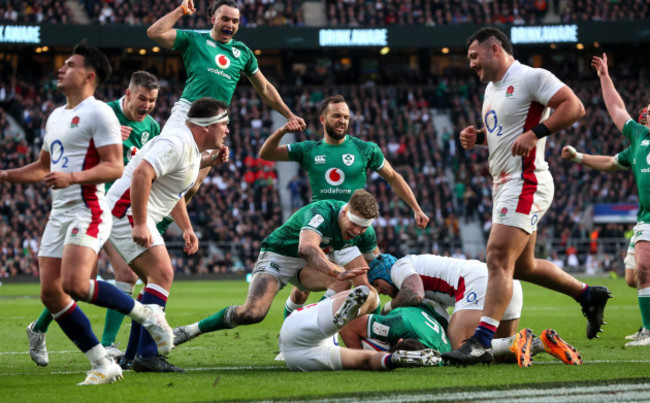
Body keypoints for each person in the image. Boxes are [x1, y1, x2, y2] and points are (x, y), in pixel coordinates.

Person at [0, 41, 173, 385]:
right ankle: (103, 362)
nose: (61, 69)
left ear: (88, 75)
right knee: (51, 292)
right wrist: (5, 175)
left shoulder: (99, 113)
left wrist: (73, 177)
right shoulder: (56, 115)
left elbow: (113, 167)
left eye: (70, 64)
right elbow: (42, 167)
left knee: (78, 284)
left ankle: (146, 314)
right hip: (59, 213)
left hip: (89, 208)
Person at [443, 27, 611, 365]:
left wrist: (537, 133)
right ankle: (588, 294)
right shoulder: (491, 90)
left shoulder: (531, 76)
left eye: (474, 57)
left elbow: (574, 107)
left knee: (497, 258)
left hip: (527, 180)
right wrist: (479, 138)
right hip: (505, 183)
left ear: (494, 49)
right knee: (523, 266)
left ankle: (480, 341)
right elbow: (506, 134)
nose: (471, 65)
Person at [26, 70, 162, 366]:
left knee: (107, 277)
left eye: (152, 100)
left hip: (117, 211)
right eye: (142, 98)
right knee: (88, 280)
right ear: (128, 95)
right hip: (88, 205)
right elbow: (69, 151)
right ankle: (50, 331)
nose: (148, 105)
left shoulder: (152, 126)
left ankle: (94, 341)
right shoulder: (102, 114)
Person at [259, 94, 430, 317]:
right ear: (323, 119)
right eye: (337, 116)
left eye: (347, 117)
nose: (343, 121)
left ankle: (368, 334)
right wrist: (283, 131)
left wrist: (416, 208)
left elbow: (393, 176)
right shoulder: (310, 149)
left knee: (366, 286)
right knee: (302, 293)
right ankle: (292, 332)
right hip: (321, 228)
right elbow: (266, 153)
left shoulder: (365, 149)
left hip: (353, 232)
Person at [146, 0, 306, 234]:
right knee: (163, 165)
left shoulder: (243, 53)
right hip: (188, 112)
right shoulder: (194, 39)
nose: (230, 24)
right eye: (225, 19)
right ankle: (136, 212)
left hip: (217, 122)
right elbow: (154, 33)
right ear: (213, 19)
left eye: (235, 21)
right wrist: (181, 11)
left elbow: (264, 88)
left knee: (191, 184)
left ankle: (157, 228)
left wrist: (289, 113)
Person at [106, 97, 231, 372]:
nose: (227, 130)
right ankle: (147, 355)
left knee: (154, 280)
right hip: (126, 212)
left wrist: (186, 228)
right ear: (206, 127)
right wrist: (139, 223)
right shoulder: (177, 142)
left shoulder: (192, 149)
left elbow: (171, 190)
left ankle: (134, 355)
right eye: (224, 123)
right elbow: (141, 173)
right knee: (162, 274)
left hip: (135, 213)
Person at [172, 189, 381, 346]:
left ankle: (304, 338)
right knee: (253, 313)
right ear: (345, 212)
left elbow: (377, 264)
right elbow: (306, 248)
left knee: (345, 281)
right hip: (278, 255)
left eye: (364, 226)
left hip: (308, 265)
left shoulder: (364, 232)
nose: (357, 231)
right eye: (354, 223)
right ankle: (190, 330)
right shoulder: (322, 212)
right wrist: (337, 270)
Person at [361, 253, 582, 367]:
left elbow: (414, 294)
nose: (382, 293)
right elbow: (437, 315)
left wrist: (386, 309)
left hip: (478, 284)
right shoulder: (417, 269)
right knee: (500, 357)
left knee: (459, 351)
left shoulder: (400, 267)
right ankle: (541, 343)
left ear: (382, 274)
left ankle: (517, 342)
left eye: (379, 287)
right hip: (507, 283)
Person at [592, 53, 650, 347]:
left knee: (643, 268)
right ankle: (647, 327)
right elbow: (616, 107)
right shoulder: (639, 137)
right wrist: (604, 76)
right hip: (646, 216)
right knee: (633, 277)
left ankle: (649, 331)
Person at [279, 285, 443, 371]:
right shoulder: (441, 347)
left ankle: (353, 311)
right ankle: (390, 359)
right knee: (363, 360)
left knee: (372, 298)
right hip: (301, 362)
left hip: (296, 328)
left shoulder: (304, 313)